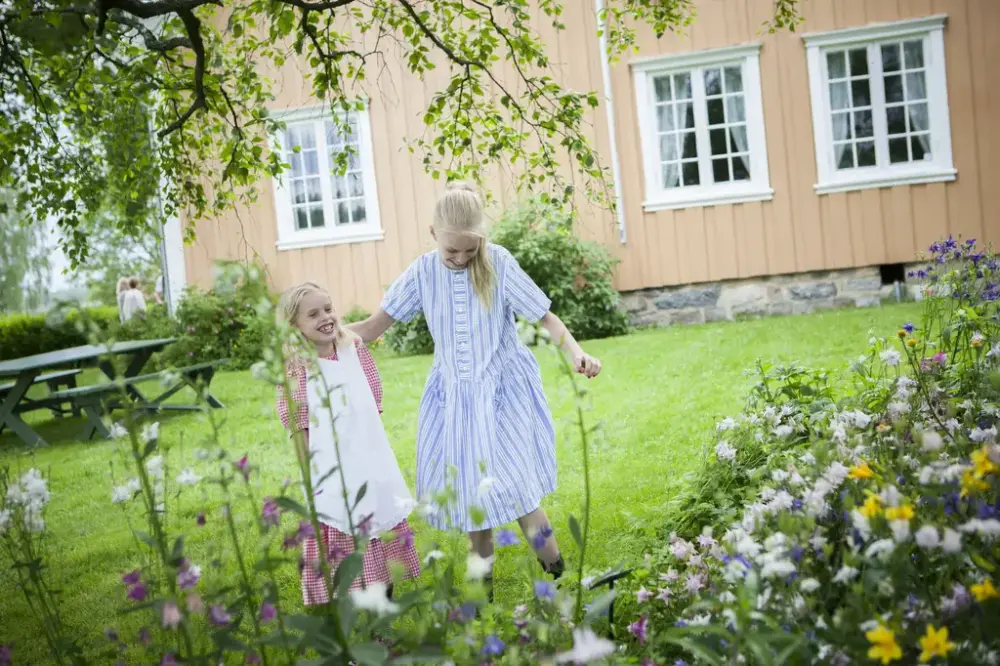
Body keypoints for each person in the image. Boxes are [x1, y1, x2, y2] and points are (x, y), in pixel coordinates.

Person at [350, 181, 602, 596]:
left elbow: (547, 318)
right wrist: (323, 334)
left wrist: (577, 352)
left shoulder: (498, 262)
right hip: (456, 399)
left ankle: (557, 571)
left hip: (506, 392)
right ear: (433, 234)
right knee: (473, 494)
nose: (462, 258)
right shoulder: (422, 272)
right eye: (453, 251)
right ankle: (482, 591)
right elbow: (374, 327)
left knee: (518, 488)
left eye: (471, 250)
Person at [276, 281, 420, 606]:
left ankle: (382, 620)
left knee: (377, 522)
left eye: (328, 309)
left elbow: (372, 400)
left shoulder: (353, 349)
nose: (326, 317)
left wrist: (369, 447)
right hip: (331, 469)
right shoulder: (298, 370)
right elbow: (298, 426)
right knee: (342, 533)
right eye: (313, 314)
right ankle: (349, 615)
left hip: (369, 459)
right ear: (294, 326)